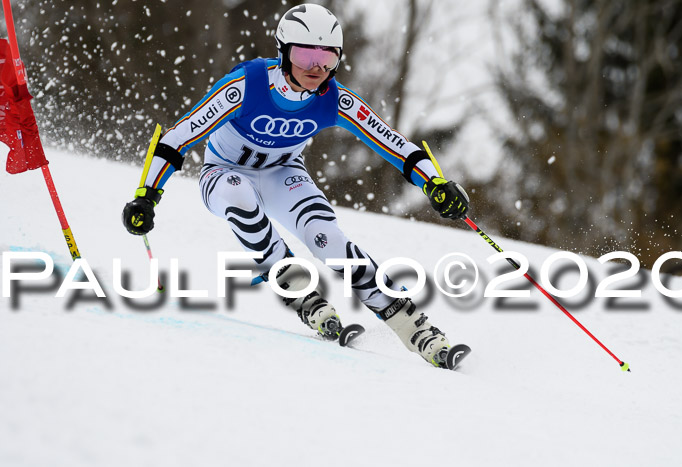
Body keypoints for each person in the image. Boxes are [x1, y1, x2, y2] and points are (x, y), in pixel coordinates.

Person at [122, 3, 470, 368]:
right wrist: (147, 196)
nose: (316, 68)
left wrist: (435, 184)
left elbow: (394, 144)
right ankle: (297, 289)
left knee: (330, 241)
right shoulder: (246, 85)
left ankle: (413, 326)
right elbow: (177, 138)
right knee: (240, 195)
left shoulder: (334, 98)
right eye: (305, 55)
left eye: (327, 57)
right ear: (283, 52)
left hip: (283, 173)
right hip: (222, 173)